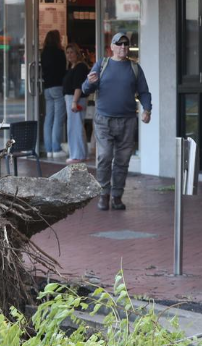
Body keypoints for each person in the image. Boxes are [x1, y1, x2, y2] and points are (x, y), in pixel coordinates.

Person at [81, 33, 152, 211]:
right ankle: (104, 195)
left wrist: (147, 109)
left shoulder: (134, 68)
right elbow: (85, 88)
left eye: (126, 45)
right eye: (118, 44)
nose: (123, 47)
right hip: (104, 119)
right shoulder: (102, 65)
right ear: (111, 47)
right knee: (104, 157)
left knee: (122, 160)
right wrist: (89, 83)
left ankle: (117, 196)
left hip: (127, 121)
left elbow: (144, 91)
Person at [41, 30, 67, 158]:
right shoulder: (60, 52)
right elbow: (63, 70)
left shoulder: (44, 53)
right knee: (58, 118)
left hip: (47, 88)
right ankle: (56, 148)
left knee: (48, 119)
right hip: (57, 87)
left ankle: (48, 149)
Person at [62, 44, 90, 163]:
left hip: (76, 99)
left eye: (72, 52)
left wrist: (74, 101)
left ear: (77, 53)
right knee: (74, 127)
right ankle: (78, 154)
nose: (69, 55)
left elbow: (78, 86)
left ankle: (78, 155)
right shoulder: (72, 67)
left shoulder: (80, 67)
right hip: (71, 99)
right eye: (67, 52)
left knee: (76, 127)